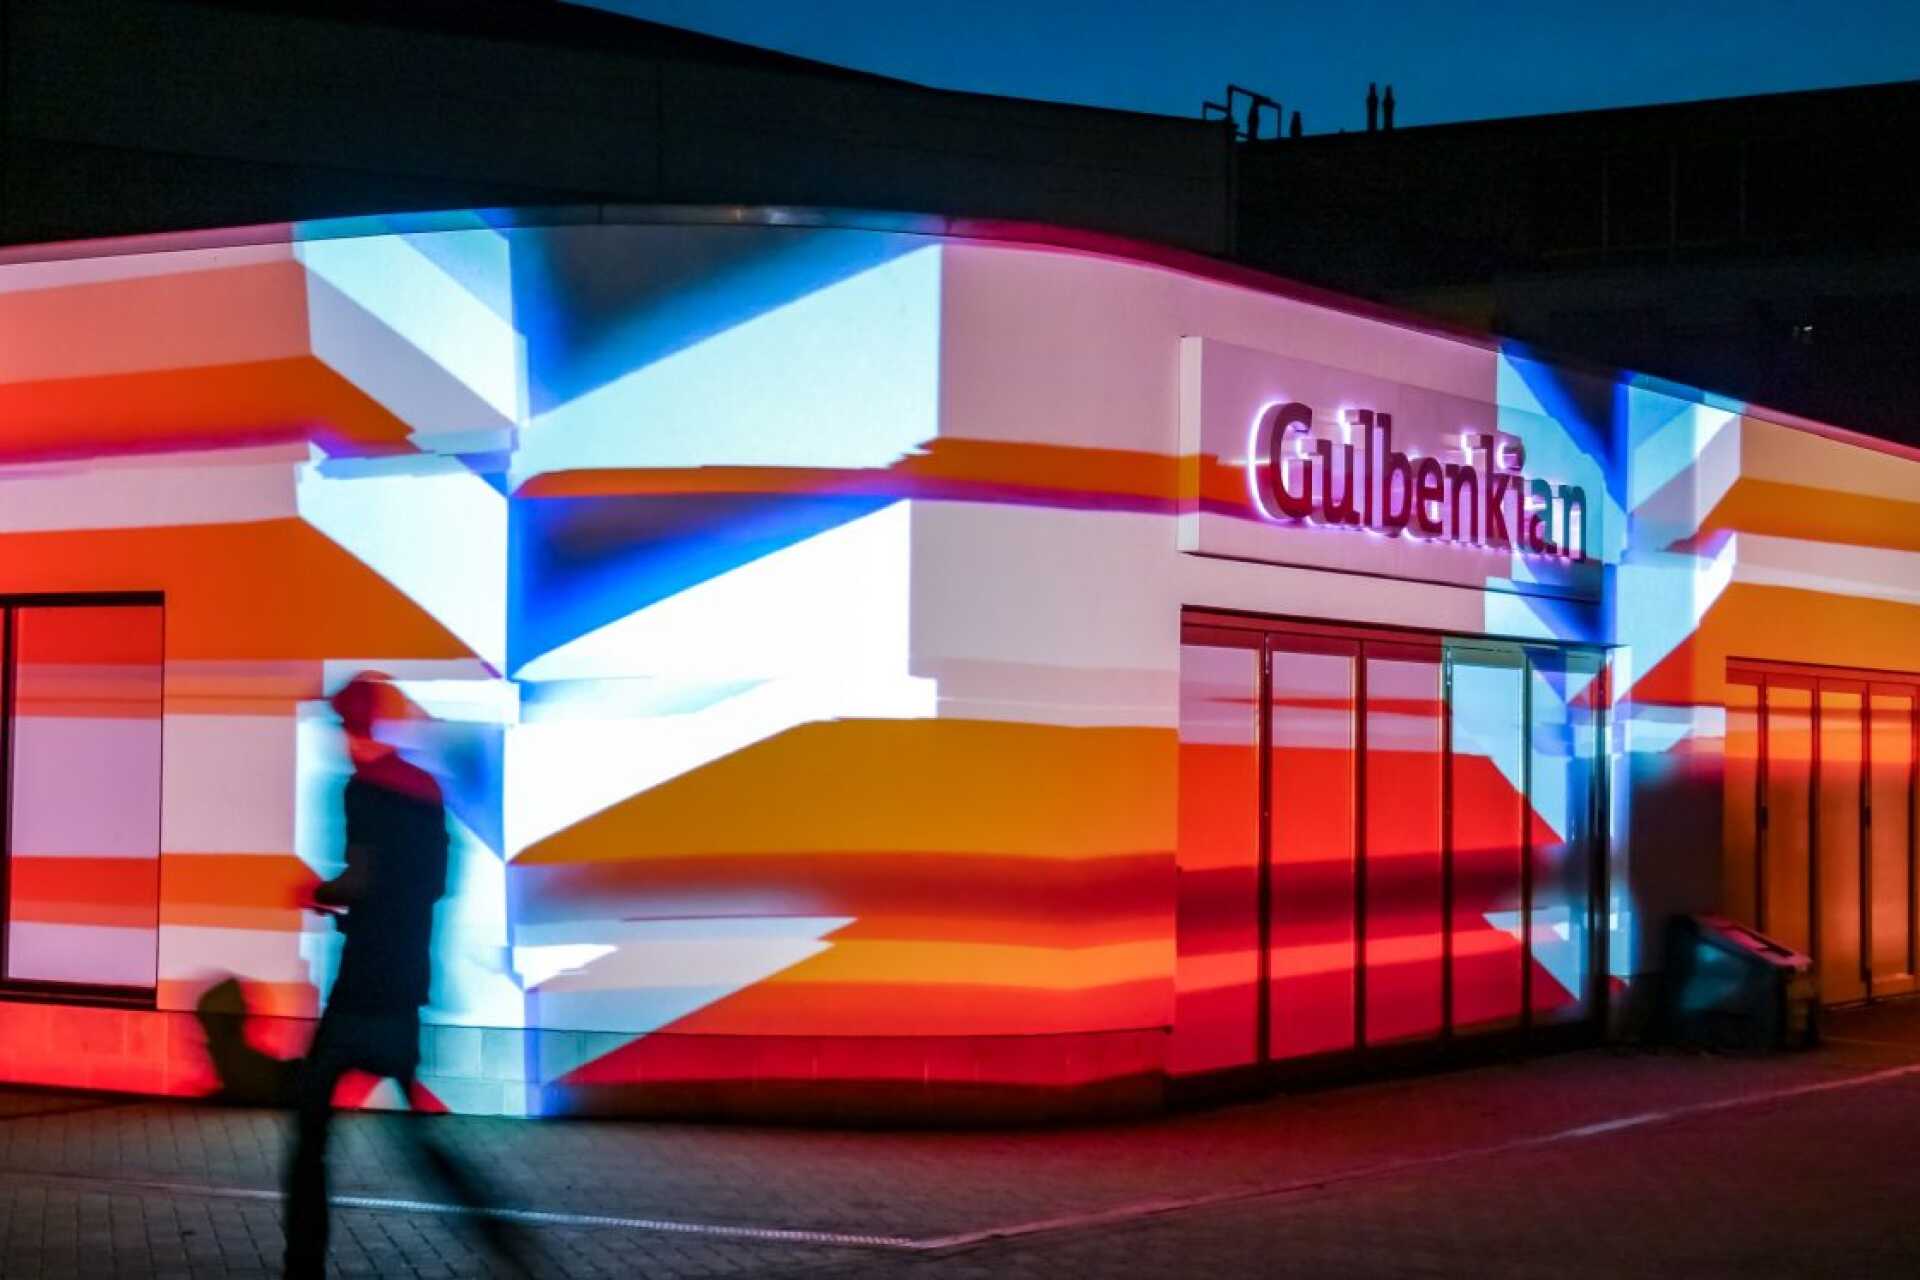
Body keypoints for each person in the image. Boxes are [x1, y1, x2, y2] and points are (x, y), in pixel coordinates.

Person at [283, 672, 523, 1278]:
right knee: (417, 1137)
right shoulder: (424, 789)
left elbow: (358, 879)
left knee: (311, 1127)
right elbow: (436, 883)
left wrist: (317, 893)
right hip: (406, 980)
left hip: (361, 985)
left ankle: (302, 1262)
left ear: (350, 727)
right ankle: (496, 1230)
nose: (339, 737)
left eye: (341, 725)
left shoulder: (361, 790)